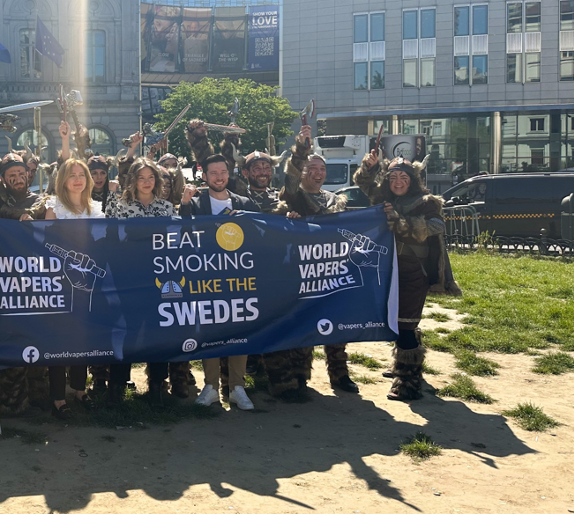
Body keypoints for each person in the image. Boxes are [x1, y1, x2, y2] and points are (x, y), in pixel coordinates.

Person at [354, 152, 460, 401]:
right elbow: (365, 184)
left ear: (413, 180)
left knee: (405, 325)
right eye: (393, 177)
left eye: (403, 177)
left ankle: (408, 384)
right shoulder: (384, 198)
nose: (398, 181)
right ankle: (405, 367)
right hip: (389, 270)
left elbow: (437, 226)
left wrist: (400, 221)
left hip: (415, 271)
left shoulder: (426, 201)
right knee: (397, 320)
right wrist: (368, 167)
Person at [0, 110, 50, 417]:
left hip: (35, 284)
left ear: (28, 175)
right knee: (2, 340)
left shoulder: (41, 202)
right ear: (5, 179)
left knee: (35, 338)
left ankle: (38, 399)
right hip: (1, 282)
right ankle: (0, 400)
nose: (17, 178)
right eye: (11, 175)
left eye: (21, 174)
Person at [266, 125, 358, 397]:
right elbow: (290, 179)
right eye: (311, 169)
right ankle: (299, 375)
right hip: (303, 270)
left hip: (333, 269)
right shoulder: (294, 197)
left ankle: (340, 373)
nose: (317, 173)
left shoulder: (335, 200)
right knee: (305, 323)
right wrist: (301, 150)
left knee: (336, 323)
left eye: (321, 169)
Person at [179, 154, 258, 411]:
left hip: (238, 280)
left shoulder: (245, 203)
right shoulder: (196, 203)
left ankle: (237, 388)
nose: (219, 177)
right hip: (205, 280)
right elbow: (184, 236)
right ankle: (211, 387)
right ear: (204, 176)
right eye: (213, 173)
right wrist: (184, 204)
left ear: (229, 173)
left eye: (223, 172)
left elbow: (259, 235)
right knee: (208, 330)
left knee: (239, 330)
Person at [104, 158, 178, 405]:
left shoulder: (167, 208)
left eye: (151, 177)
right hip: (129, 275)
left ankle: (157, 384)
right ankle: (117, 384)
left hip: (159, 275)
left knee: (158, 328)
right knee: (130, 328)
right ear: (133, 180)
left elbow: (175, 242)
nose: (146, 182)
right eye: (141, 177)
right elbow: (110, 238)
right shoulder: (119, 206)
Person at [43, 157, 103, 418]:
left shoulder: (96, 209)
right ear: (63, 180)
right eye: (71, 175)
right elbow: (43, 244)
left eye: (82, 174)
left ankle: (80, 389)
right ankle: (57, 397)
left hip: (88, 282)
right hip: (61, 282)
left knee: (83, 336)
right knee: (58, 340)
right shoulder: (53, 208)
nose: (78, 179)